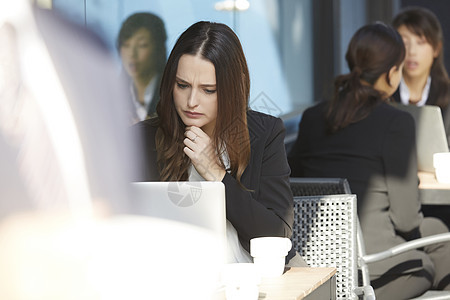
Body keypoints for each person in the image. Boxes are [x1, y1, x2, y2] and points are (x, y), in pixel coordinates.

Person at [288, 23, 450, 299]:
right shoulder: (396, 122)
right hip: (371, 265)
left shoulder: (314, 117)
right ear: (391, 73)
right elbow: (407, 219)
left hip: (318, 257)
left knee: (436, 230)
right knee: (431, 261)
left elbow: (293, 180)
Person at [134, 21, 306, 266]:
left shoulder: (263, 133)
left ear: (232, 89)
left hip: (251, 274)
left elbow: (275, 233)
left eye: (208, 90)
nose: (191, 101)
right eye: (182, 85)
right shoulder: (143, 138)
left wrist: (218, 175)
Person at [392, 7, 450, 146]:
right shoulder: (384, 95)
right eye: (404, 43)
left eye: (421, 42)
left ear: (436, 49)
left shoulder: (447, 95)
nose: (412, 51)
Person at [117, 12, 167, 123]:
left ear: (159, 49)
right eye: (126, 45)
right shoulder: (111, 94)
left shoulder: (172, 93)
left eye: (142, 45)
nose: (132, 54)